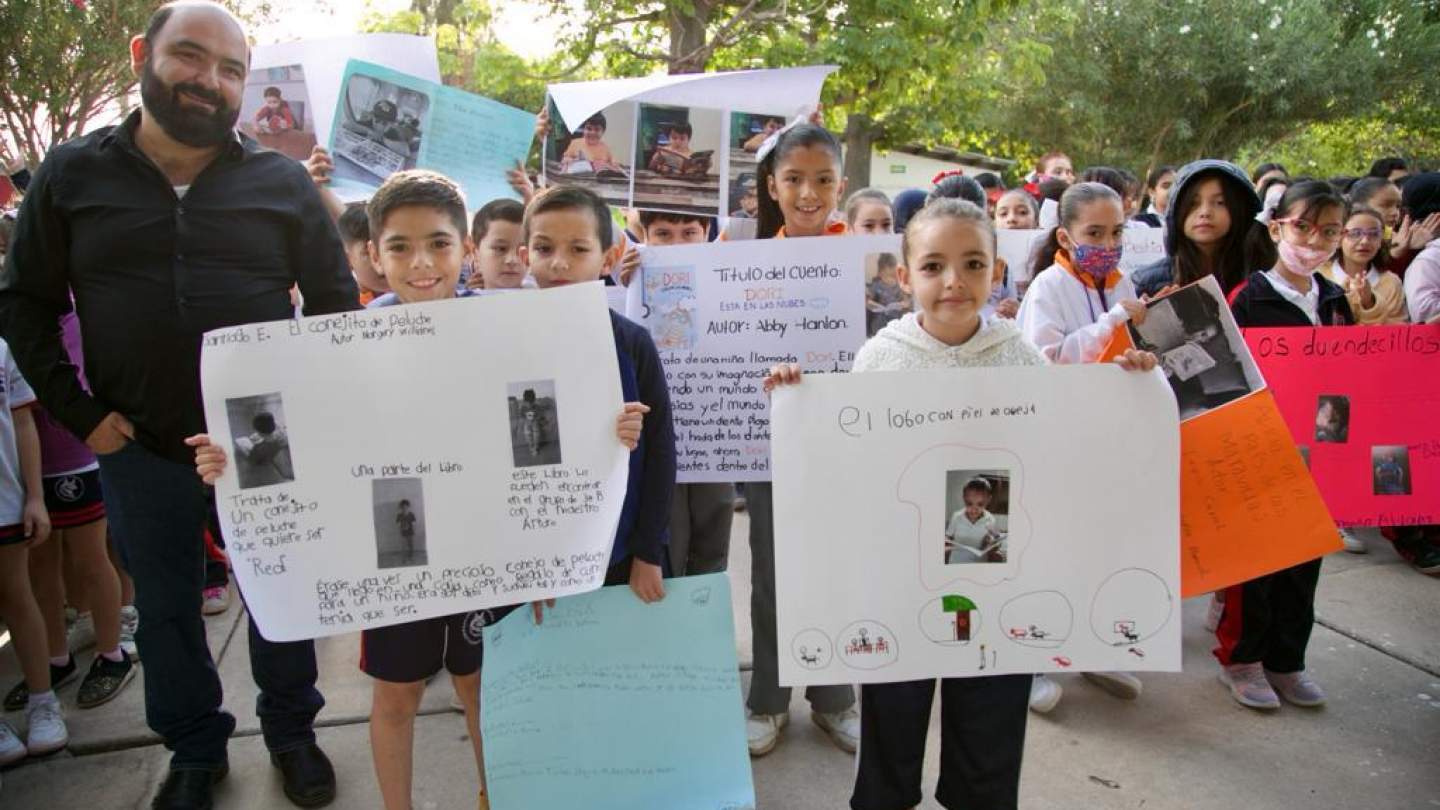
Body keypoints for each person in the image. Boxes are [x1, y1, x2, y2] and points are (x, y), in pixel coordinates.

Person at [0, 4, 358, 806]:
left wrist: (319, 413)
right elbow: (23, 302)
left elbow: (337, 305)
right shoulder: (70, 175)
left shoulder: (281, 181)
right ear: (142, 54)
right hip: (140, 448)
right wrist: (82, 413)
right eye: (191, 57)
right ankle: (195, 749)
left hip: (266, 446)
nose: (211, 80)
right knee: (162, 610)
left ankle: (293, 733)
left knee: (280, 596)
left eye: (231, 69)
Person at [762, 198, 1157, 810]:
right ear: (904, 277)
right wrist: (795, 400)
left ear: (996, 271)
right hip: (899, 587)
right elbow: (844, 464)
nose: (954, 282)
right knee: (890, 728)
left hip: (999, 588)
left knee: (990, 733)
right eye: (933, 266)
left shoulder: (1018, 357)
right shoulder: (879, 359)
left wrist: (1128, 387)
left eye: (973, 264)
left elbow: (1060, 450)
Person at [745, 123, 861, 757]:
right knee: (771, 573)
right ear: (773, 186)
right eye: (794, 179)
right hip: (769, 447)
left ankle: (836, 697)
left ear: (840, 185)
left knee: (836, 572)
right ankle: (767, 699)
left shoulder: (869, 260)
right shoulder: (745, 265)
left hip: (849, 447)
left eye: (822, 179)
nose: (808, 192)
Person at [1219, 180, 1355, 710]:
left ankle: (1286, 661)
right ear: (1276, 227)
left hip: (1318, 456)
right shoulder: (1248, 298)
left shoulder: (1337, 301)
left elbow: (1352, 381)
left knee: (1305, 562)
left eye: (1329, 232)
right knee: (1255, 564)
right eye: (1302, 227)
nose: (1314, 241)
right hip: (1259, 451)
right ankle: (1241, 659)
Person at [1017, 182, 1148, 709]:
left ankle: (1093, 646)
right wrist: (1114, 322)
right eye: (1094, 232)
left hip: (1108, 437)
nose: (1107, 243)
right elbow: (1049, 361)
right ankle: (1030, 664)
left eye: (1116, 232)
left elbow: (1136, 350)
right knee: (1048, 551)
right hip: (1055, 438)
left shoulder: (1123, 283)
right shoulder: (1048, 287)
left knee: (1100, 546)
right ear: (1066, 237)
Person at [3, 312, 134, 714]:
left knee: (90, 556)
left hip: (72, 450)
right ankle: (56, 658)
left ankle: (112, 653)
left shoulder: (72, 309)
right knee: (42, 566)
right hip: (23, 463)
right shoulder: (15, 304)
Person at [0, 338, 67, 766]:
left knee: (18, 597)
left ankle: (44, 703)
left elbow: (24, 423)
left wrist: (35, 498)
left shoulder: (5, 348)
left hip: (7, 501)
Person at [1131, 160, 1263, 298]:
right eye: (1193, 203)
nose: (1205, 212)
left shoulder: (1265, 280)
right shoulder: (1145, 284)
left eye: (1220, 202)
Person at [1327, 204, 1407, 325]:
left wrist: (1370, 304)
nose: (1365, 241)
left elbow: (1396, 331)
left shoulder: (1391, 283)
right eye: (1355, 233)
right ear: (1339, 237)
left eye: (1374, 234)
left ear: (1381, 241)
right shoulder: (1319, 276)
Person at [466, 198, 527, 290]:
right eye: (500, 249)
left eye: (522, 250)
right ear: (475, 253)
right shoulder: (462, 301)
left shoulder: (547, 298)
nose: (512, 260)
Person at [338, 203, 389, 305]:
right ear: (347, 259)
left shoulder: (418, 295)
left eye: (394, 249)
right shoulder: (343, 304)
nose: (381, 262)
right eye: (368, 252)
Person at [945, 478, 1003, 564]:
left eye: (980, 504)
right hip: (957, 561)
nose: (974, 509)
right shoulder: (957, 516)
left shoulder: (990, 519)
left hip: (979, 563)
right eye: (969, 503)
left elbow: (997, 540)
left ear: (988, 500)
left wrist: (992, 543)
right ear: (964, 498)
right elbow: (948, 537)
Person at [866, 252, 909, 336]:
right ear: (883, 269)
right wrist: (876, 306)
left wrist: (901, 305)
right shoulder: (876, 285)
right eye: (886, 269)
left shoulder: (900, 285)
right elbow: (868, 302)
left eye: (892, 268)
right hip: (880, 321)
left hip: (896, 321)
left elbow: (907, 302)